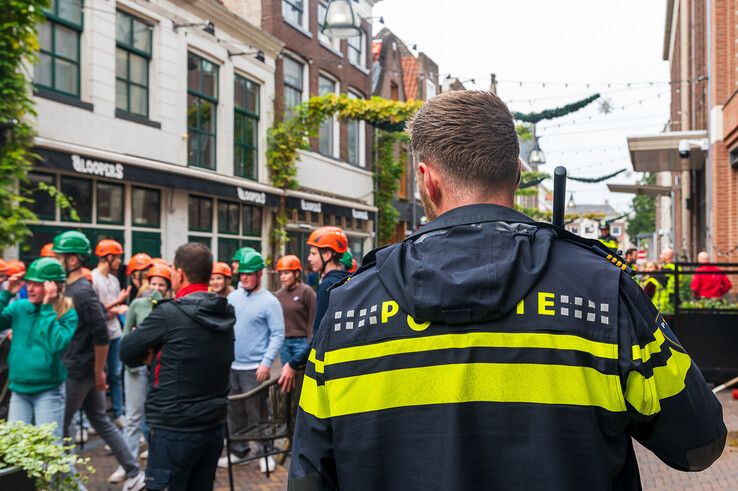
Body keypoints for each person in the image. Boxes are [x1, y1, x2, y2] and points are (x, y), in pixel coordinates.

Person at [288, 91, 726, 490]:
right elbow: (699, 443)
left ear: (427, 179)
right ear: (516, 173)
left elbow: (309, 479)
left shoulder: (348, 310)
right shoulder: (602, 290)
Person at [120, 243, 235, 491]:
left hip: (174, 430)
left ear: (180, 273)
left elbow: (126, 351)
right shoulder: (224, 312)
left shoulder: (168, 315)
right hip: (213, 426)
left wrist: (152, 353)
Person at [52, 231, 144, 491]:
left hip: (78, 370)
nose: (56, 260)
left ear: (72, 260)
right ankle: (134, 471)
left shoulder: (81, 290)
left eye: (60, 256)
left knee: (62, 426)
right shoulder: (70, 288)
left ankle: (67, 482)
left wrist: (98, 371)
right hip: (79, 367)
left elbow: (101, 332)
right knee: (101, 421)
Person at [218, 249, 284, 471]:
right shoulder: (233, 297)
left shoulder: (270, 302)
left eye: (249, 274)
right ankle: (239, 450)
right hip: (232, 365)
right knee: (234, 411)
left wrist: (266, 363)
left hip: (255, 368)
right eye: (242, 273)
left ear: (259, 274)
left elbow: (277, 334)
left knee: (259, 412)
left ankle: (266, 453)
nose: (244, 277)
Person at [1, 258, 77, 440]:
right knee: (16, 447)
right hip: (19, 390)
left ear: (53, 286)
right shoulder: (20, 307)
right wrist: (5, 295)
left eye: (37, 284)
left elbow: (56, 344)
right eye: (28, 283)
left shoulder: (67, 312)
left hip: (48, 391)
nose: (30, 289)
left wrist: (46, 308)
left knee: (50, 452)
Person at [279, 226, 350, 388]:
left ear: (327, 254)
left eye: (313, 253)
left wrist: (293, 364)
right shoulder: (346, 280)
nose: (309, 258)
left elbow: (319, 336)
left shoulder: (327, 285)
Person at [118, 263, 172, 474]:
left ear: (168, 287)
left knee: (156, 417)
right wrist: (135, 339)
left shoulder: (170, 306)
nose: (156, 287)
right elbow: (124, 337)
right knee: (132, 416)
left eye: (161, 284)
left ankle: (156, 463)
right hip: (137, 368)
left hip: (160, 370)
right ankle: (127, 465)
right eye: (153, 283)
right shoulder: (138, 305)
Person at [91, 239, 130, 429]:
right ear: (109, 257)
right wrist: (117, 304)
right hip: (99, 336)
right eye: (118, 257)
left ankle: (118, 412)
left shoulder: (114, 280)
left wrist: (118, 308)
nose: (119, 261)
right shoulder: (93, 279)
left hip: (115, 333)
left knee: (115, 374)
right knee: (98, 375)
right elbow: (94, 312)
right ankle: (93, 417)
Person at [273, 255, 315, 393]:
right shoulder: (278, 295)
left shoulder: (306, 291)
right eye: (281, 274)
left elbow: (313, 318)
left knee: (303, 379)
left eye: (286, 273)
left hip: (302, 342)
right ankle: (287, 412)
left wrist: (310, 341)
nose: (283, 277)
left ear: (296, 273)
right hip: (285, 343)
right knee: (287, 380)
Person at [658, 248, 677, 313]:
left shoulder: (668, 268)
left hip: (669, 297)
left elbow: (661, 281)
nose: (660, 256)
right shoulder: (675, 267)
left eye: (662, 254)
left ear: (667, 256)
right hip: (674, 295)